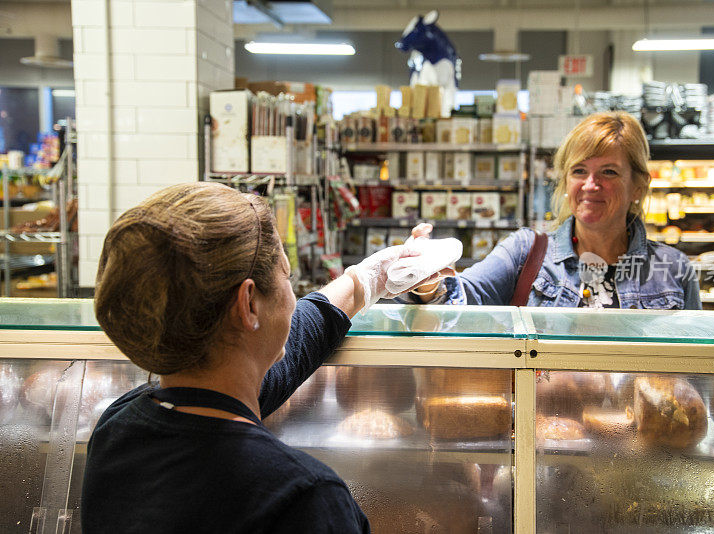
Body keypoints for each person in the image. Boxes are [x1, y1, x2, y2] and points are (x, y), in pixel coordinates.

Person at [81, 182, 449, 533]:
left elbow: (277, 359)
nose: (292, 296)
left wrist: (369, 280)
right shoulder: (303, 498)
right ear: (249, 304)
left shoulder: (117, 428)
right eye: (287, 277)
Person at [400, 111, 701, 310]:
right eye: (579, 171)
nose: (590, 185)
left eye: (609, 172)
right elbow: (461, 298)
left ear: (638, 186)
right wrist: (428, 283)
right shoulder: (525, 253)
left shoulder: (674, 269)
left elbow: (695, 370)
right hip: (548, 410)